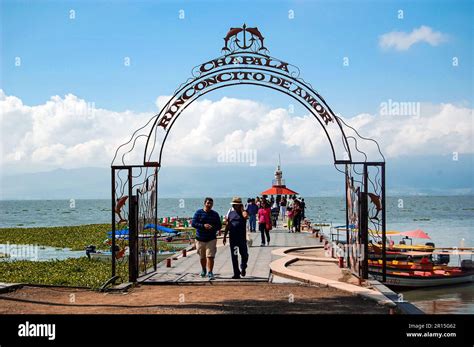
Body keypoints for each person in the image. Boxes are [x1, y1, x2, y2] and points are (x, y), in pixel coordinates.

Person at [191, 197, 222, 280]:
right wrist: (203, 226)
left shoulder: (215, 214)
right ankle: (203, 270)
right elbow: (193, 223)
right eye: (208, 203)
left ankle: (210, 271)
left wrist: (212, 227)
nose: (209, 205)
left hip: (211, 238)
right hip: (200, 238)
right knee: (202, 257)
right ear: (204, 203)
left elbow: (219, 226)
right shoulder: (198, 213)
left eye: (211, 203)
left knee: (210, 256)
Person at [223, 197, 249, 279]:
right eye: (234, 205)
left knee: (244, 255)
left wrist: (242, 209)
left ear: (240, 205)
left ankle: (243, 267)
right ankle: (236, 273)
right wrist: (224, 236)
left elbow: (245, 217)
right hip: (233, 239)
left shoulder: (243, 213)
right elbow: (227, 225)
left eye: (236, 205)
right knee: (234, 256)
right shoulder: (230, 213)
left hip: (242, 239)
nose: (234, 206)